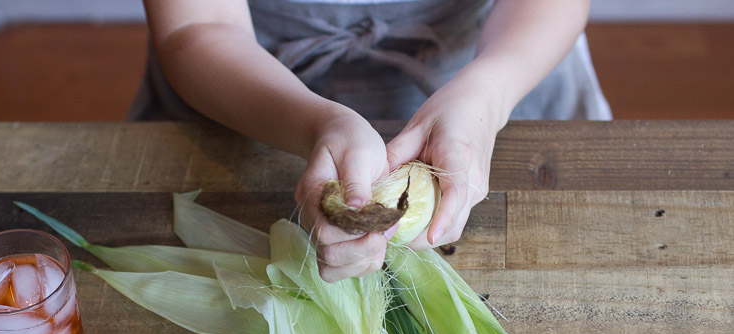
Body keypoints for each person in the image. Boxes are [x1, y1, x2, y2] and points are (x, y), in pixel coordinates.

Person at [130, 0, 610, 282]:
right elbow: (199, 24)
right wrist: (313, 122)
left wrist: (486, 94)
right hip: (244, 90)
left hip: (502, 65)